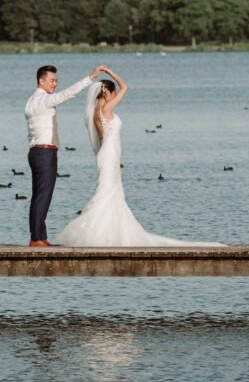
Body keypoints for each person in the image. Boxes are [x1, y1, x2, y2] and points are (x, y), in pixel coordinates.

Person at [57, 66, 223, 247]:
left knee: (110, 191)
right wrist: (109, 72)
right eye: (113, 93)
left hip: (108, 152)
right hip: (110, 153)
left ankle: (108, 231)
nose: (114, 96)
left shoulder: (97, 110)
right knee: (108, 191)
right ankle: (100, 233)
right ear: (108, 93)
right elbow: (125, 87)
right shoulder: (106, 108)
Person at [25, 62, 104, 246]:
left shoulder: (30, 101)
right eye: (52, 80)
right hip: (44, 152)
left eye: (56, 81)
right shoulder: (43, 100)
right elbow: (68, 94)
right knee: (43, 195)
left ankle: (38, 237)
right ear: (41, 81)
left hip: (35, 151)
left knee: (39, 195)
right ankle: (37, 239)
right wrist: (90, 78)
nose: (55, 84)